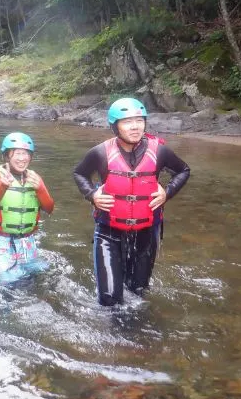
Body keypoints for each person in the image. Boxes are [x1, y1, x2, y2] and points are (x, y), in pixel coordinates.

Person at [73, 98, 190, 306]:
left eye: (139, 120)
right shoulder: (100, 153)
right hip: (109, 233)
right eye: (127, 121)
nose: (135, 126)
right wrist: (92, 195)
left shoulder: (160, 151)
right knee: (109, 299)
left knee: (137, 292)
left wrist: (167, 193)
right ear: (115, 126)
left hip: (146, 233)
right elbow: (80, 174)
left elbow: (183, 170)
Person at [0, 132, 54, 281]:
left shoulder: (34, 178)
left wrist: (40, 189)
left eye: (26, 154)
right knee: (6, 282)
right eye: (18, 154)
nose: (22, 158)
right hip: (0, 242)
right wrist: (3, 186)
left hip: (27, 242)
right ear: (7, 156)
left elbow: (49, 208)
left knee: (37, 277)